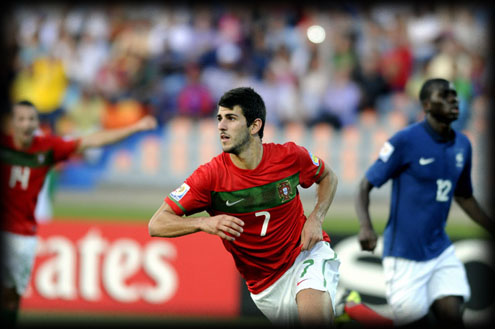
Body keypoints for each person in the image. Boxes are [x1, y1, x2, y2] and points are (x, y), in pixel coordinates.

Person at [148, 87, 340, 327]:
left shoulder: (290, 156)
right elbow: (157, 224)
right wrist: (203, 222)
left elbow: (328, 177)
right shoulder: (210, 177)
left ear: (254, 126)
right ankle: (344, 310)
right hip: (265, 287)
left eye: (231, 118)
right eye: (219, 118)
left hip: (305, 254)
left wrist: (316, 218)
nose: (221, 126)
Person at [0, 100, 157, 326]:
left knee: (12, 299)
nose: (26, 124)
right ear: (11, 123)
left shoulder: (46, 147)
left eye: (31, 119)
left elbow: (91, 141)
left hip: (24, 236)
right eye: (21, 119)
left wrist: (135, 128)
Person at [354, 78, 493, 328]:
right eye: (445, 95)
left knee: (452, 317)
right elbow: (365, 185)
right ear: (427, 105)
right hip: (404, 256)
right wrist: (366, 226)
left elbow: (463, 195)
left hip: (440, 250)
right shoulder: (405, 140)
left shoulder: (463, 144)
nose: (454, 99)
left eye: (454, 94)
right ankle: (353, 311)